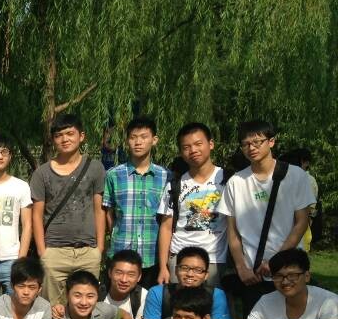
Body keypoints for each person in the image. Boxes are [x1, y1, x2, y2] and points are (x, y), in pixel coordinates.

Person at [217, 120, 315, 319]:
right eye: (246, 144)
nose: (251, 148)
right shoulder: (236, 182)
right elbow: (232, 231)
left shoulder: (295, 176)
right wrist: (241, 268)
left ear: (271, 142)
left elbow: (301, 222)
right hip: (253, 274)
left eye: (257, 142)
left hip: (289, 268)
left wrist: (276, 261)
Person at [30, 114, 106, 304]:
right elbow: (36, 215)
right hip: (54, 251)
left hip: (88, 251)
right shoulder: (42, 173)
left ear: (81, 136)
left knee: (85, 306)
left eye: (70, 133)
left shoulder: (95, 168)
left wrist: (99, 248)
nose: (65, 139)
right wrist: (42, 252)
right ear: (53, 139)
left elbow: (99, 210)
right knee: (52, 308)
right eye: (59, 135)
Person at [156, 123, 228, 288]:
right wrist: (163, 266)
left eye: (198, 144)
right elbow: (166, 227)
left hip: (215, 259)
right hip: (180, 259)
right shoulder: (175, 185)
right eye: (186, 147)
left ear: (211, 144)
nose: (193, 150)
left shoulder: (228, 180)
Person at [102, 116, 168, 288]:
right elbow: (109, 213)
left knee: (149, 301)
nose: (138, 142)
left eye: (144, 137)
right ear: (127, 141)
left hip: (152, 255)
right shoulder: (113, 175)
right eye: (133, 137)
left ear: (154, 140)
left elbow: (166, 218)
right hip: (120, 253)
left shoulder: (165, 176)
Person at [142, 247, 232, 319]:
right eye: (184, 268)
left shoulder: (216, 295)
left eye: (198, 270)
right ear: (176, 270)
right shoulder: (158, 292)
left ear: (206, 275)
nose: (190, 274)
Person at [0, 134, 32, 300]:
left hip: (12, 259)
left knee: (15, 307)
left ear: (11, 156)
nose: (0, 156)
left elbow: (27, 225)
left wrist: (21, 259)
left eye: (4, 152)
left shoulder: (21, 186)